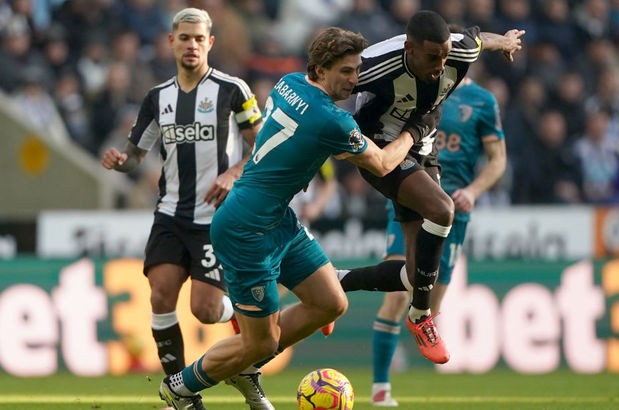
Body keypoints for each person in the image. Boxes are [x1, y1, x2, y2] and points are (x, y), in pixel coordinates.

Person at [158, 27, 436, 410]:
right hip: (246, 230)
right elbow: (385, 163)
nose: (354, 80)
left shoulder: (288, 82)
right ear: (320, 70)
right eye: (346, 71)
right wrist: (417, 129)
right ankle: (180, 387)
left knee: (331, 303)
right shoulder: (332, 121)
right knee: (261, 342)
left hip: (277, 218)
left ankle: (246, 367)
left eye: (357, 70)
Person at [100, 7, 262, 407]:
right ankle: (182, 394)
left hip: (215, 219)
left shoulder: (232, 89)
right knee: (160, 297)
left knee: (205, 310)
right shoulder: (157, 98)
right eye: (184, 38)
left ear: (210, 43)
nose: (191, 45)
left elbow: (262, 146)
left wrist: (233, 173)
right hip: (170, 214)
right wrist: (122, 161)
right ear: (171, 42)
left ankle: (245, 314)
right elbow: (137, 154)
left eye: (199, 38)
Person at [342, 10, 523, 364]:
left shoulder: (460, 51)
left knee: (416, 275)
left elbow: (480, 40)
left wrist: (504, 41)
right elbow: (326, 86)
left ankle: (335, 282)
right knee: (442, 210)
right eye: (431, 57)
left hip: (424, 148)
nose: (440, 65)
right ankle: (421, 317)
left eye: (444, 55)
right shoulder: (375, 65)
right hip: (381, 148)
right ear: (409, 49)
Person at [369, 77, 507, 406]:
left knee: (429, 304)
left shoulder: (482, 101)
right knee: (396, 297)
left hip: (454, 208)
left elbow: (497, 159)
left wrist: (473, 191)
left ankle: (346, 286)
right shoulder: (416, 87)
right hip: (411, 196)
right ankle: (380, 388)